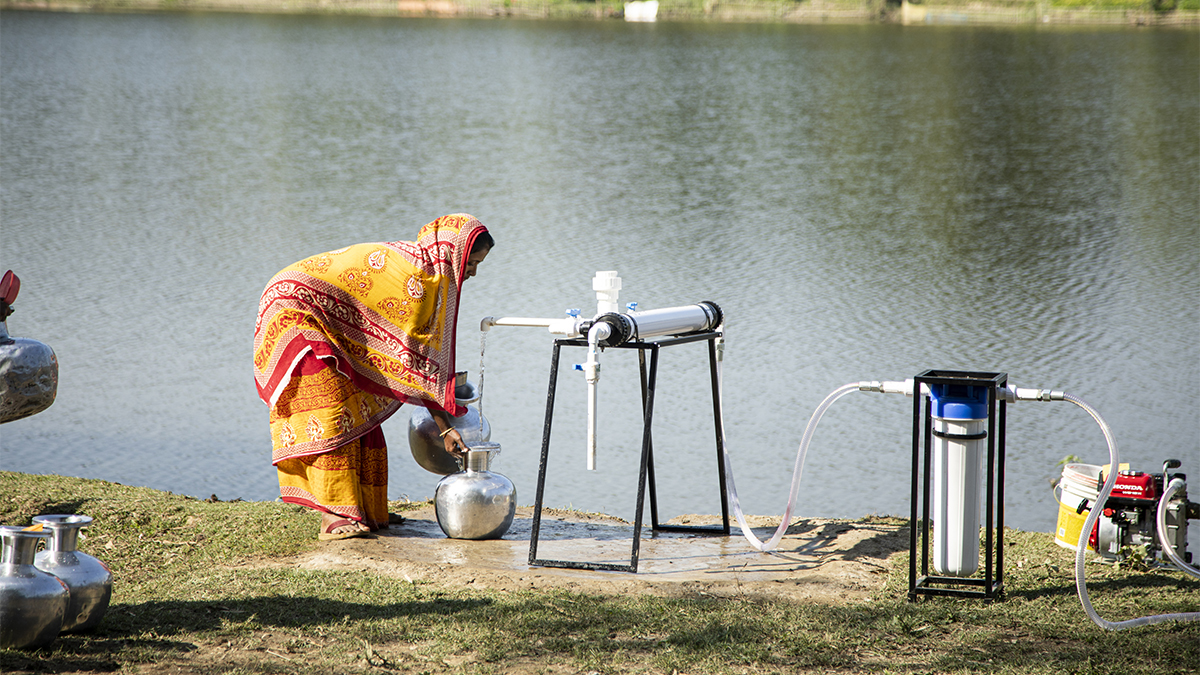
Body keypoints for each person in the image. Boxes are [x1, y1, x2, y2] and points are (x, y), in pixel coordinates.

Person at [253, 214, 493, 540]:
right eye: (471, 263)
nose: (473, 272)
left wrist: (444, 424)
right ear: (455, 253)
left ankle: (367, 508)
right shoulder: (419, 279)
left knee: (362, 403)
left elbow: (416, 361)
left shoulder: (433, 274)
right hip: (297, 310)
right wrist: (445, 428)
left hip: (329, 318)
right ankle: (335, 517)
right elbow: (418, 363)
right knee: (332, 408)